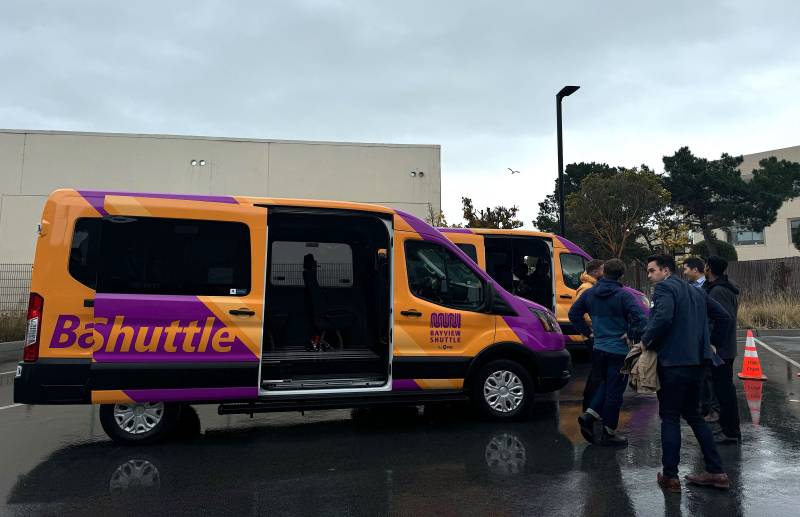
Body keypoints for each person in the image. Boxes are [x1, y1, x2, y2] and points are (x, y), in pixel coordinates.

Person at [641, 254, 730, 492]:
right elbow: (723, 316)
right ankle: (717, 472)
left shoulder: (664, 289)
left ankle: (671, 476)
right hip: (697, 363)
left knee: (669, 417)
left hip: (672, 364)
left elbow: (663, 318)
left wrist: (645, 342)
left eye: (652, 271)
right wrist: (712, 344)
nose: (649, 276)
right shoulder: (697, 291)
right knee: (694, 415)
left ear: (666, 271)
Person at [569, 259, 646, 447]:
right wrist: (631, 334)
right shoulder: (624, 296)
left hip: (599, 348)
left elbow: (573, 314)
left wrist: (588, 332)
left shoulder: (590, 293)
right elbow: (641, 320)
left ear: (603, 272)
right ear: (621, 275)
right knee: (615, 392)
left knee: (605, 383)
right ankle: (609, 432)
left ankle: (590, 414)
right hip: (618, 350)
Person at [704, 255, 742, 445]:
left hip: (722, 350)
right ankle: (729, 429)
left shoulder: (719, 291)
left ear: (709, 268)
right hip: (724, 348)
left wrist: (713, 342)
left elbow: (723, 319)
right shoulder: (722, 288)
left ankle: (730, 431)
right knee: (723, 390)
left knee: (724, 391)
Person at [575, 259, 605, 411]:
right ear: (594, 272)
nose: (604, 272)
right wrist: (593, 326)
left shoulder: (591, 286)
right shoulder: (587, 288)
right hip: (592, 336)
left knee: (597, 371)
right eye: (602, 269)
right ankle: (590, 405)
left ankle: (590, 404)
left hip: (594, 335)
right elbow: (581, 312)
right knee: (597, 372)